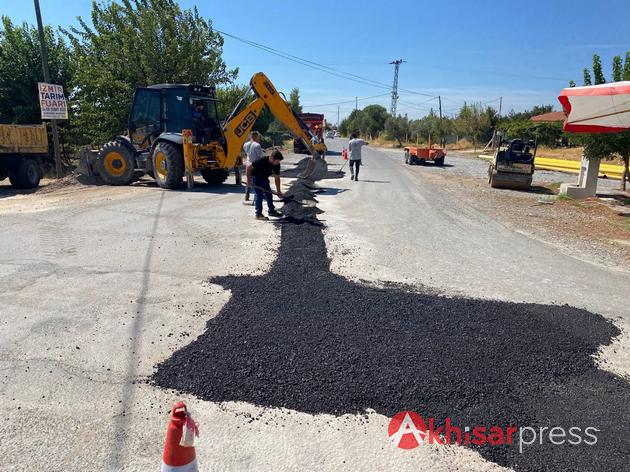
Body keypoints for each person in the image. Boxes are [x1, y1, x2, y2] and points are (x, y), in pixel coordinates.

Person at [247, 149, 284, 220]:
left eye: (279, 161)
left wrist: (278, 191)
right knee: (259, 195)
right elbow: (249, 167)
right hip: (256, 178)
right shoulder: (262, 160)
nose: (278, 163)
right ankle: (258, 214)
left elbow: (277, 178)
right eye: (277, 161)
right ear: (272, 158)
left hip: (264, 178)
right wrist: (248, 180)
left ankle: (271, 211)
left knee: (269, 194)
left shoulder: (277, 165)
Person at [242, 131, 264, 202]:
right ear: (256, 136)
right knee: (258, 180)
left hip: (248, 164)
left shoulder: (245, 144)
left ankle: (247, 195)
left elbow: (247, 152)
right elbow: (260, 156)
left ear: (250, 136)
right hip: (255, 165)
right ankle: (258, 195)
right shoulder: (257, 145)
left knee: (248, 180)